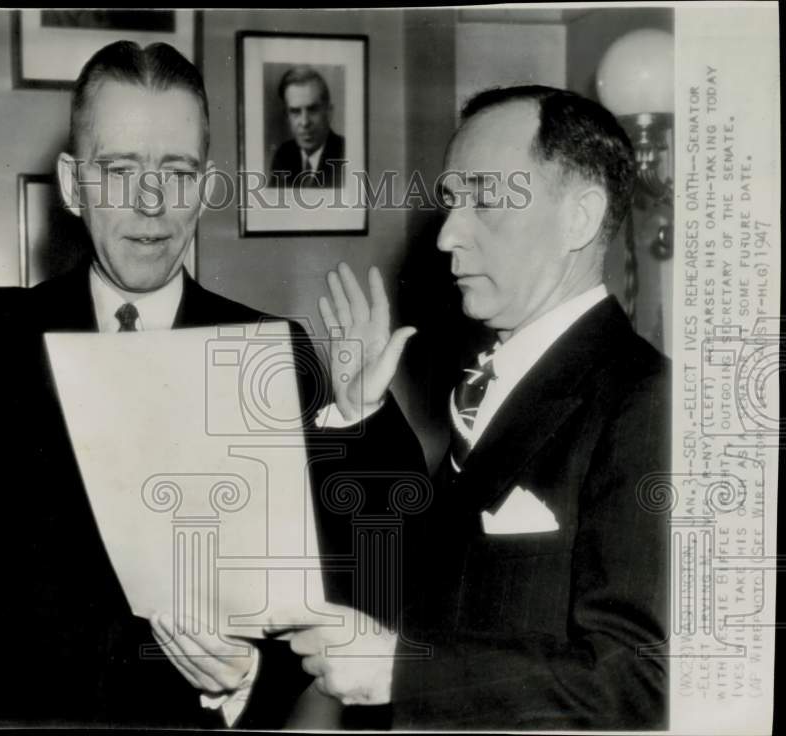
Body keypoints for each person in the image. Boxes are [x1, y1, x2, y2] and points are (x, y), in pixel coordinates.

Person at [0, 28, 424, 728]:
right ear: (72, 184)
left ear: (208, 187)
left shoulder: (274, 351)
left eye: (178, 172)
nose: (151, 203)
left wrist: (359, 419)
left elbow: (374, 565)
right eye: (120, 169)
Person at [286, 85, 670, 729]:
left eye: (484, 198)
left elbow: (638, 681)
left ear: (579, 217)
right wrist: (360, 416)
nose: (447, 235)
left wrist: (401, 672)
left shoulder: (647, 402)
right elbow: (423, 582)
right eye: (451, 202)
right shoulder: (503, 377)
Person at [269, 67, 346, 188]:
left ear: (329, 113)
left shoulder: (346, 153)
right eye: (295, 112)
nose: (304, 122)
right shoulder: (283, 156)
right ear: (287, 118)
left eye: (313, 110)